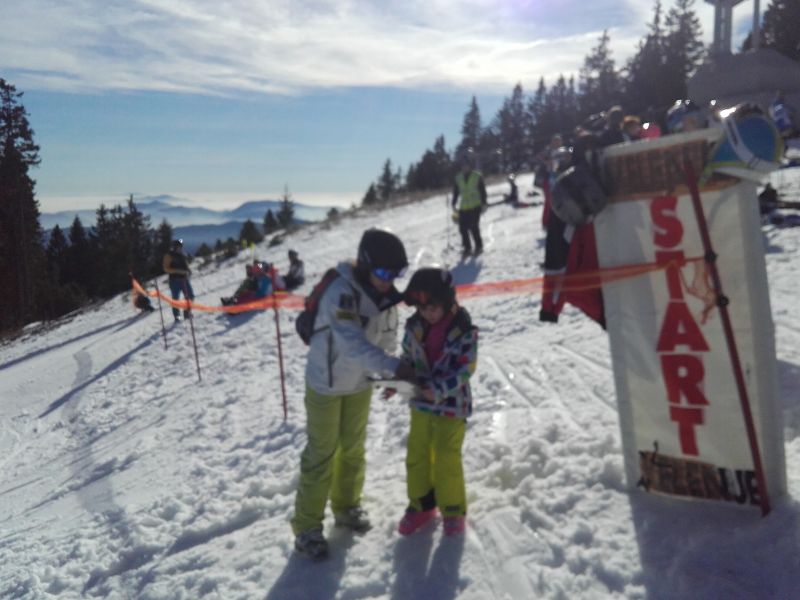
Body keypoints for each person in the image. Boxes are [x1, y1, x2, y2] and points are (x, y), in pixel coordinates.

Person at [291, 228, 416, 560]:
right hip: (326, 383)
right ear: (366, 264)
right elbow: (352, 345)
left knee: (353, 449)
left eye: (396, 274)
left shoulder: (386, 299)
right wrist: (394, 367)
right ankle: (307, 527)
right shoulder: (341, 292)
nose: (389, 281)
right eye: (383, 273)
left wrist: (389, 376)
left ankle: (346, 507)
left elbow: (386, 339)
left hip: (359, 384)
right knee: (321, 453)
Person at [394, 267, 478, 538]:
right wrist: (398, 379)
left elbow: (466, 368)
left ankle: (452, 509)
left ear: (447, 301)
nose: (428, 313)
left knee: (445, 456)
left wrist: (440, 389)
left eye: (433, 308)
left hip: (452, 406)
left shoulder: (463, 330)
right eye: (422, 308)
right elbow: (407, 356)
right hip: (421, 402)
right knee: (417, 454)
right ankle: (421, 505)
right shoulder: (414, 327)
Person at [452, 156, 488, 258]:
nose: (464, 167)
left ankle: (479, 246)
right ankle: (467, 248)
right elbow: (456, 192)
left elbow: (482, 191)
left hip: (475, 206)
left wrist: (484, 203)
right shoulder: (458, 178)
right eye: (463, 165)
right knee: (462, 228)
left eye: (466, 165)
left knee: (473, 227)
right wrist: (453, 203)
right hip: (464, 207)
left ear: (469, 166)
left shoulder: (477, 176)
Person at [162, 239, 194, 321]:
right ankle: (177, 315)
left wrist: (188, 270)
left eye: (181, 247)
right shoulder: (168, 256)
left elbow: (185, 265)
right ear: (175, 247)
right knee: (175, 299)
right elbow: (166, 269)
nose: (180, 249)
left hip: (184, 279)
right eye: (179, 247)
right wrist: (179, 271)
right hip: (174, 280)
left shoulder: (182, 255)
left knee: (190, 295)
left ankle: (187, 311)